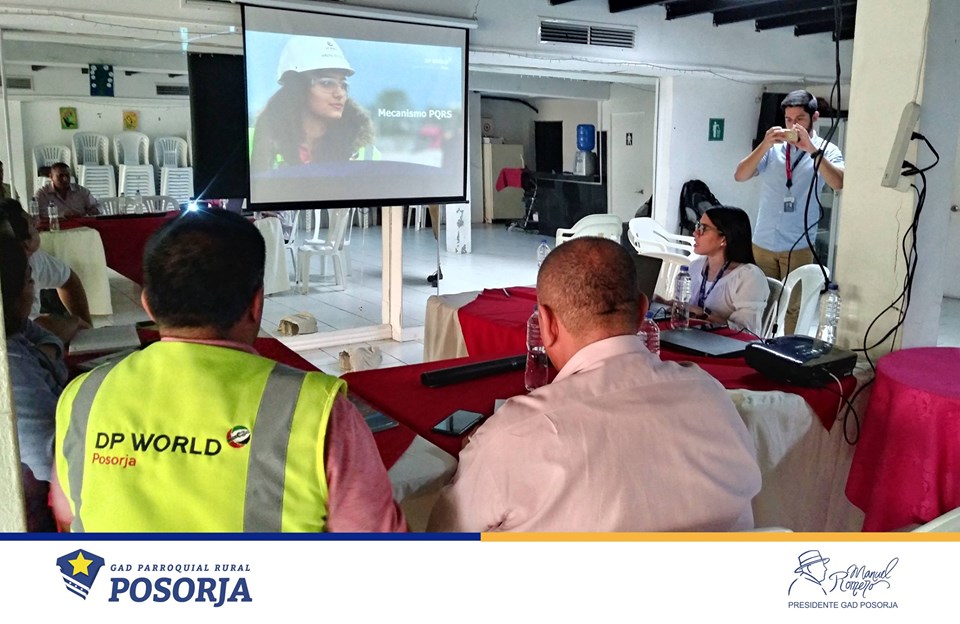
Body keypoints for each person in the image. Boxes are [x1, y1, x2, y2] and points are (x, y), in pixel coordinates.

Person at [52, 209, 405, 532]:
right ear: (256, 304)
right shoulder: (319, 411)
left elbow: (67, 514)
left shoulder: (82, 396)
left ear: (148, 306)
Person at [427, 237, 761, 532]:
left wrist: (482, 451)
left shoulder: (514, 434)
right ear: (642, 312)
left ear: (546, 323)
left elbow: (444, 541)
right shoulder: (711, 396)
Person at [733, 90, 843, 331]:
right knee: (761, 303)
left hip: (799, 244)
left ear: (814, 118)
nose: (793, 125)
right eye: (788, 119)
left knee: (795, 307)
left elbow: (838, 183)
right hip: (763, 242)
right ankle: (758, 344)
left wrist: (812, 150)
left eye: (799, 119)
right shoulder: (773, 149)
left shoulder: (827, 150)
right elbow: (740, 175)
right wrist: (764, 144)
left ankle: (788, 348)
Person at [0, 234, 67, 532]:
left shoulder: (11, 328)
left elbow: (44, 334)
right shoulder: (10, 369)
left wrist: (46, 353)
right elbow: (49, 458)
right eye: (29, 281)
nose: (33, 289)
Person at [251, 36, 379, 173]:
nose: (340, 93)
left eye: (343, 85)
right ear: (297, 88)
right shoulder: (252, 140)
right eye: (327, 83)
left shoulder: (366, 152)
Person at [0, 199, 91, 343]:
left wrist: (88, 330)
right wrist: (72, 324)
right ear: (26, 243)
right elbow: (26, 330)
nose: (37, 225)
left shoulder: (34, 257)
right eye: (32, 225)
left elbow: (69, 280)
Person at [687, 206, 770, 335]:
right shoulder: (695, 267)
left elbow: (747, 333)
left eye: (704, 229)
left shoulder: (748, 277)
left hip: (723, 345)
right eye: (698, 226)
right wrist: (662, 302)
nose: (695, 233)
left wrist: (704, 314)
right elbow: (684, 308)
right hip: (690, 338)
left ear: (724, 239)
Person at [34, 162, 100, 217]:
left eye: (67, 175)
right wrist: (61, 215)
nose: (65, 179)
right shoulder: (42, 194)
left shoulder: (81, 191)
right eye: (60, 176)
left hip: (80, 226)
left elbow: (98, 207)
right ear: (51, 177)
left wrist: (94, 211)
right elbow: (38, 215)